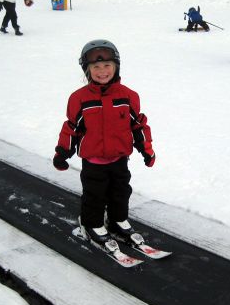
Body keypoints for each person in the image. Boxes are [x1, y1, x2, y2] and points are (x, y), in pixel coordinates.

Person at [53, 40, 155, 249]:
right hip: (93, 161)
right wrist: (62, 153)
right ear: (87, 70)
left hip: (119, 159)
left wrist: (146, 150)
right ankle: (92, 224)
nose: (102, 71)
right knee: (95, 194)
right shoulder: (79, 99)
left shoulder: (128, 96)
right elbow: (72, 128)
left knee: (121, 192)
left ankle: (117, 222)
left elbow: (138, 125)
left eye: (107, 65)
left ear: (116, 66)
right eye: (96, 67)